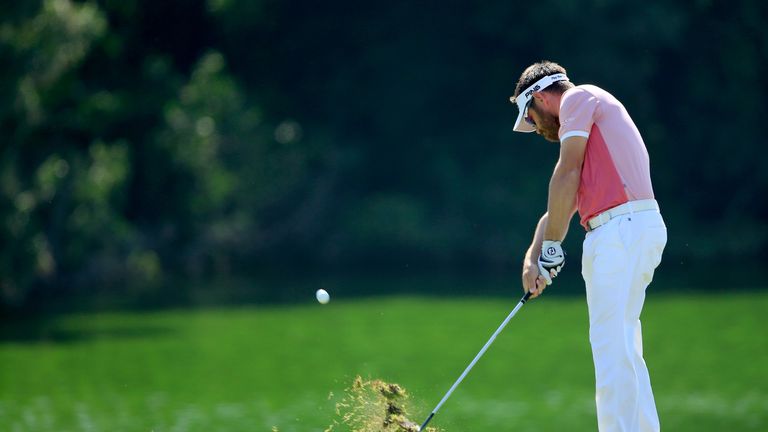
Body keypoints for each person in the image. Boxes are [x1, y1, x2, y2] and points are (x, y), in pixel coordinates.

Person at [510, 61, 667, 432]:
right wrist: (534, 257)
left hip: (619, 233)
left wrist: (552, 248)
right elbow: (561, 203)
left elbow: (565, 174)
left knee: (611, 348)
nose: (534, 128)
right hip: (635, 228)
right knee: (625, 348)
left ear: (541, 97)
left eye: (530, 117)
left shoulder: (577, 98)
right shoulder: (591, 126)